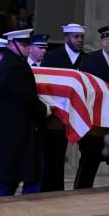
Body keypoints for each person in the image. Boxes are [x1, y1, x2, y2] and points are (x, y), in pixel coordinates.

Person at [0, 29, 49, 197]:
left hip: (18, 132)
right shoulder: (13, 66)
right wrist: (44, 109)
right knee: (4, 181)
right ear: (12, 45)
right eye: (23, 44)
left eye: (28, 44)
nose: (27, 48)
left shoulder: (15, 62)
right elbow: (25, 98)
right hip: (9, 134)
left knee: (27, 175)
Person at [40, 23, 87, 192]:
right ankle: (50, 191)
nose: (80, 40)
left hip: (78, 114)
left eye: (81, 37)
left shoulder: (87, 59)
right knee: (54, 156)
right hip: (56, 116)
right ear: (67, 38)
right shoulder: (53, 57)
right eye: (76, 37)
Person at [75, 25, 109, 189]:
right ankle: (78, 196)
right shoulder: (89, 61)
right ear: (103, 41)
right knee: (89, 161)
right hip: (95, 122)